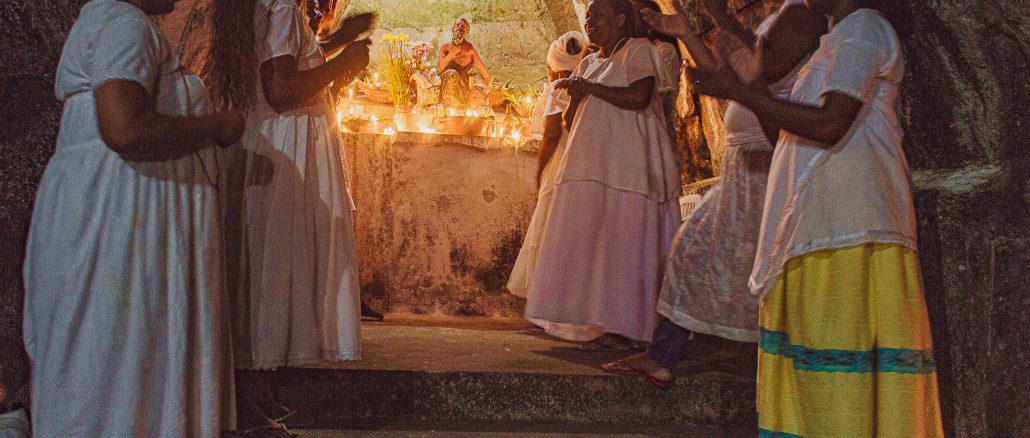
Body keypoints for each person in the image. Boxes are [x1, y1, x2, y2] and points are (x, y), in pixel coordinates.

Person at [688, 0, 944, 435]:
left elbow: (831, 125)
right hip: (816, 228)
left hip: (850, 228)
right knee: (818, 381)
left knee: (840, 378)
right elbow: (786, 136)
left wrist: (740, 93)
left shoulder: (864, 28)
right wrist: (754, 85)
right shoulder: (832, 44)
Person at [22, 0, 245, 435]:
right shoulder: (123, 22)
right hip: (117, 216)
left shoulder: (120, 22)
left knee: (118, 351)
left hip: (122, 210)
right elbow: (124, 127)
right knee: (111, 351)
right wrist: (215, 128)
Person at [602, 0, 826, 387]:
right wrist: (689, 31)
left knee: (754, 269)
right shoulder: (787, 15)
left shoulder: (802, 17)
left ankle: (766, 365)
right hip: (743, 165)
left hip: (764, 166)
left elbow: (755, 70)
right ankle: (665, 354)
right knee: (695, 251)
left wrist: (711, 20)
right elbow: (744, 67)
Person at [208, 0, 373, 432]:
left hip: (277, 147)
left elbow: (282, 59)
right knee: (271, 268)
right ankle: (247, 401)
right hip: (286, 155)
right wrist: (343, 62)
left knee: (265, 268)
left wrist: (334, 41)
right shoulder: (280, 4)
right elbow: (279, 89)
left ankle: (257, 391)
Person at [523, 0, 682, 348]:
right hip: (594, 164)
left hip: (631, 164)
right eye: (588, 16)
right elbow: (568, 119)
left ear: (621, 19)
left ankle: (632, 328)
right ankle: (600, 322)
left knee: (627, 241)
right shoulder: (591, 61)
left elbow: (640, 95)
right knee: (600, 245)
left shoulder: (638, 50)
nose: (589, 22)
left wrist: (589, 88)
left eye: (597, 16)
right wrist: (579, 95)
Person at [507, 31, 587, 339]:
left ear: (552, 65)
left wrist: (540, 170)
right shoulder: (586, 85)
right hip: (581, 163)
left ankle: (548, 306)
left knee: (549, 233)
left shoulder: (558, 89)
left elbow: (551, 135)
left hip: (560, 166)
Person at [437, 18, 492, 109]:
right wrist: (452, 53)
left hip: (462, 85)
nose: (459, 28)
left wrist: (488, 83)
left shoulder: (469, 50)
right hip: (447, 85)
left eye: (463, 27)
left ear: (466, 31)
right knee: (451, 74)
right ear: (453, 28)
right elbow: (440, 68)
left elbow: (481, 69)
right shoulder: (445, 47)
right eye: (457, 25)